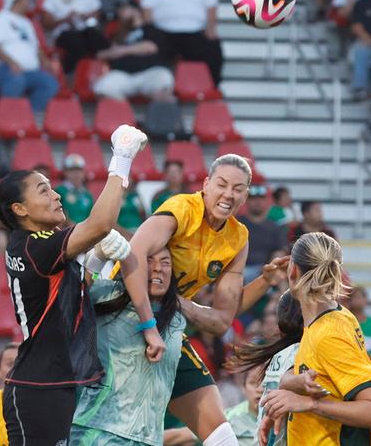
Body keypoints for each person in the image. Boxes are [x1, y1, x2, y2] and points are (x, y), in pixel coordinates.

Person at [0, 125, 164, 444]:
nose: (55, 194)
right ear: (20, 209)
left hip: (54, 386)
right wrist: (121, 158)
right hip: (37, 389)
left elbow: (71, 289)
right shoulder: (34, 244)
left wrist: (94, 258)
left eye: (52, 187)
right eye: (43, 190)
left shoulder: (36, 245)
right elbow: (100, 223)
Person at [123, 154, 289, 445]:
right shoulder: (182, 208)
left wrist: (265, 281)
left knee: (222, 436)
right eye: (222, 184)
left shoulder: (238, 238)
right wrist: (149, 324)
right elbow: (133, 253)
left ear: (246, 194)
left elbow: (222, 318)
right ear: (206, 184)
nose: (228, 194)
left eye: (238, 188)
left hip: (168, 326)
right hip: (121, 314)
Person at [259, 232, 371, 446]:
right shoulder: (333, 318)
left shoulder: (329, 333)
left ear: (293, 271)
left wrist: (308, 404)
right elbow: (327, 381)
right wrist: (288, 394)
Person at [70, 247, 185, 445]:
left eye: (166, 262)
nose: (158, 268)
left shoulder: (177, 319)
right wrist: (97, 256)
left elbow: (219, 319)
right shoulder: (106, 294)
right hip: (98, 431)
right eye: (148, 261)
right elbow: (70, 298)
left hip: (149, 438)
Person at [228, 290, 303, 446]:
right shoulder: (300, 353)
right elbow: (288, 381)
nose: (260, 389)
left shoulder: (278, 354)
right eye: (253, 383)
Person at [0, 0, 59, 113]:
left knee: (49, 84)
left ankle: (27, 117)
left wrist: (46, 62)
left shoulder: (27, 22)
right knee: (15, 79)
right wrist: (11, 63)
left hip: (26, 70)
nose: (28, 2)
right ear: (17, 0)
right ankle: (7, 118)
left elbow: (35, 47)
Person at [141, 0, 223, 86]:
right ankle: (151, 85)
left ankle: (213, 85)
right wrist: (151, 30)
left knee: (213, 47)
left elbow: (211, 7)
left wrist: (210, 28)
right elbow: (146, 9)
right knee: (148, 43)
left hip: (194, 34)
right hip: (164, 34)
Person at [94, 0, 174, 101]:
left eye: (123, 9)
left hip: (149, 73)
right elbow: (102, 54)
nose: (120, 13)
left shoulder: (149, 28)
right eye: (119, 10)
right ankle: (126, 114)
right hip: (123, 75)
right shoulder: (118, 34)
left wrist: (122, 50)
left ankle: (156, 114)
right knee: (102, 88)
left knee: (164, 79)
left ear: (136, 11)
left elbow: (150, 47)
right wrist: (114, 51)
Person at [41, 0, 107, 74]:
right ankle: (69, 74)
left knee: (98, 39)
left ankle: (102, 71)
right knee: (77, 44)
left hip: (85, 30)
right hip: (64, 32)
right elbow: (46, 23)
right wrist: (65, 19)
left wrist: (86, 16)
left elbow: (97, 15)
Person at [238, 185, 288, 282]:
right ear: (246, 201)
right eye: (253, 198)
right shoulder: (237, 224)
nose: (257, 202)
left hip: (265, 271)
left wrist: (270, 267)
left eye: (261, 198)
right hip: (239, 270)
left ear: (266, 201)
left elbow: (280, 250)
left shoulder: (273, 227)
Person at [224, 368, 263, 446]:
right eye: (253, 382)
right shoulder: (228, 419)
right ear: (243, 388)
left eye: (265, 382)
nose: (260, 389)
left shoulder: (287, 418)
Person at [346, 286, 371, 365]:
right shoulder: (346, 322)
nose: (359, 300)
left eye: (362, 297)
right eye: (356, 297)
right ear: (350, 301)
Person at [55, 154, 94, 227]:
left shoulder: (88, 195)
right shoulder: (59, 191)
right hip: (67, 232)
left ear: (83, 172)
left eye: (79, 170)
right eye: (72, 170)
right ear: (65, 172)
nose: (76, 173)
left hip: (86, 232)